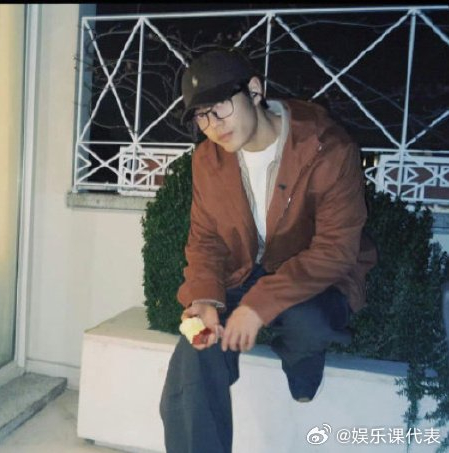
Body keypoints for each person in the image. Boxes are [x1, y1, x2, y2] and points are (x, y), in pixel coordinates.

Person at [159, 48, 378, 453]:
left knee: (307, 321)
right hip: (244, 271)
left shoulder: (327, 148)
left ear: (255, 90)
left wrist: (257, 306)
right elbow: (205, 239)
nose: (212, 125)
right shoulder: (208, 159)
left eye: (220, 107)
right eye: (201, 116)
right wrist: (205, 299)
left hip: (318, 277)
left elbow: (335, 250)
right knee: (197, 343)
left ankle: (301, 358)